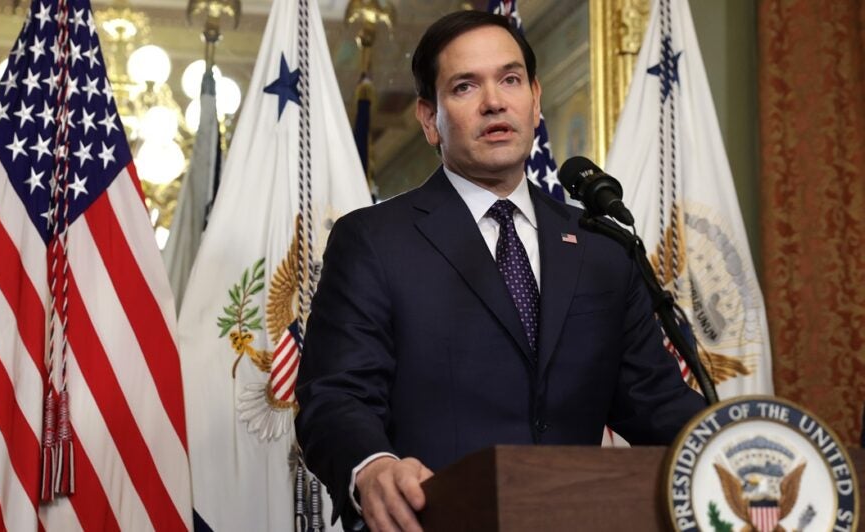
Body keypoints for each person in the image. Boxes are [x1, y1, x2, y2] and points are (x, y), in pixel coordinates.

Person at [294, 10, 706, 532]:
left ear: (534, 99)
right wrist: (373, 466)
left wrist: (746, 451)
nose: (494, 101)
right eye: (465, 86)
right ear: (428, 119)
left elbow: (658, 404)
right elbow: (336, 397)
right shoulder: (374, 241)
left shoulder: (602, 246)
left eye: (510, 79)